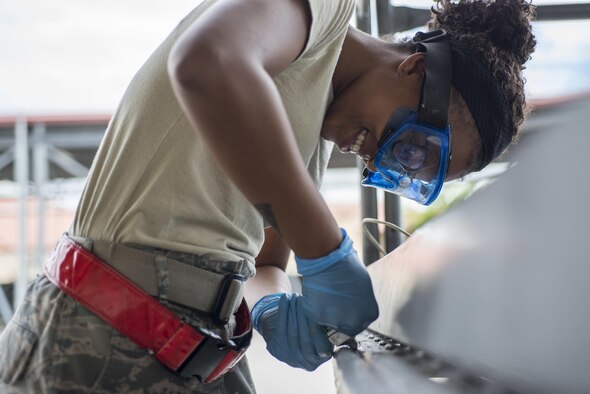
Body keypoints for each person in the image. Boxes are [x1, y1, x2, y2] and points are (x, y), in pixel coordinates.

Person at [0, 0, 536, 392]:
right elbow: (208, 62)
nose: (381, 160)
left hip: (194, 353)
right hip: (98, 336)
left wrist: (272, 307)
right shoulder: (322, 12)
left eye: (408, 170)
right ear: (414, 67)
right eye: (414, 149)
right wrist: (326, 248)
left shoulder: (317, 123)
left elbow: (264, 261)